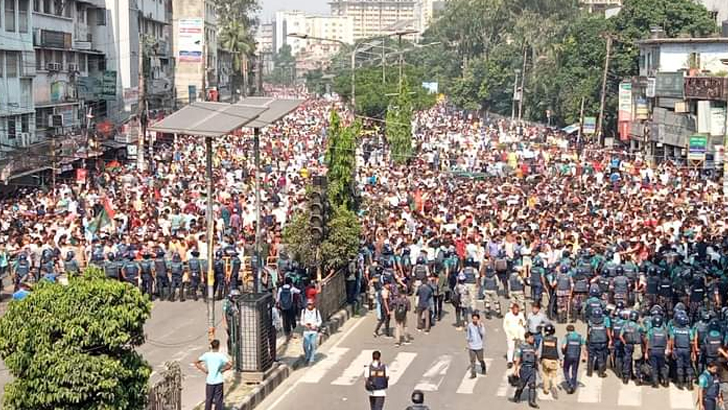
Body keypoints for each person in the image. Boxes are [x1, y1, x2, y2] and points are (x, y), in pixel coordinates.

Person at [194, 339, 232, 410]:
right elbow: (230, 364)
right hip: (219, 381)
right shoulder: (221, 356)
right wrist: (223, 370)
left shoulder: (207, 355)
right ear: (218, 346)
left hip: (210, 381)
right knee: (218, 400)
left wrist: (204, 370)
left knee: (209, 399)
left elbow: (196, 362)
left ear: (211, 346)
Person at [511, 331, 540, 409]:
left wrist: (537, 363)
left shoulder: (533, 346)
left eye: (533, 337)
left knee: (532, 385)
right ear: (527, 338)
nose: (532, 339)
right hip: (524, 368)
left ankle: (532, 401)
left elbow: (536, 357)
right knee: (521, 385)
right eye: (531, 338)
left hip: (532, 368)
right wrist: (516, 369)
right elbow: (518, 358)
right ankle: (517, 396)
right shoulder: (521, 347)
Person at [561, 324, 585, 394]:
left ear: (568, 330)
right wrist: (584, 356)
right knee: (574, 371)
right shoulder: (579, 337)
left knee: (566, 370)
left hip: (568, 356)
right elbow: (583, 346)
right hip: (576, 357)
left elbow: (563, 346)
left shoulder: (567, 337)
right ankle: (573, 385)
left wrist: (563, 352)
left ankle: (570, 383)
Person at [538, 323, 561, 398]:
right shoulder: (556, 340)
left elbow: (540, 350)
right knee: (554, 375)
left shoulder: (543, 339)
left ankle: (546, 389)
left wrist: (539, 358)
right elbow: (559, 350)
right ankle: (554, 386)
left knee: (545, 374)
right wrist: (561, 359)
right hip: (553, 360)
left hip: (545, 359)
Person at [504, 303, 526, 369]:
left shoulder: (521, 315)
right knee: (511, 348)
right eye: (515, 309)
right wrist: (509, 334)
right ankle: (510, 361)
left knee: (517, 348)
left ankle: (516, 359)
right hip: (511, 334)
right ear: (512, 309)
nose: (516, 311)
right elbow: (505, 326)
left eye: (517, 310)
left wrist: (522, 324)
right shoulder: (508, 315)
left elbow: (523, 323)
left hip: (519, 334)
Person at [301, 299, 322, 366]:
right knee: (305, 345)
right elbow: (301, 321)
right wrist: (305, 324)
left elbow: (320, 321)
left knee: (313, 345)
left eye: (311, 304)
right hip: (306, 331)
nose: (309, 305)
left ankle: (311, 359)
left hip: (314, 331)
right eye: (308, 304)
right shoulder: (303, 311)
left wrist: (316, 325)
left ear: (313, 304)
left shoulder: (316, 311)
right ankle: (307, 356)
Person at [466, 312, 487, 378]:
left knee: (480, 359)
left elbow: (483, 333)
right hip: (472, 346)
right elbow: (468, 334)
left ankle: (483, 367)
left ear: (478, 319)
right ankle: (473, 373)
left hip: (479, 346)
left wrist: (479, 326)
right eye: (473, 319)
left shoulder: (481, 325)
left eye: (476, 319)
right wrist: (468, 341)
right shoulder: (470, 325)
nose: (474, 320)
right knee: (472, 360)